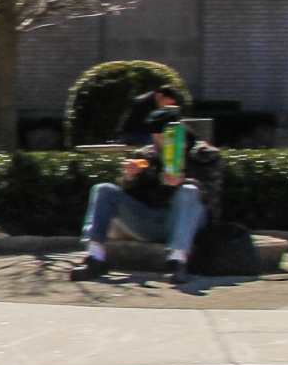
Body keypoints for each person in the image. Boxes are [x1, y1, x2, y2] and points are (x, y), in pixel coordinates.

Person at [71, 122, 221, 288]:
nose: (159, 140)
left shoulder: (203, 154)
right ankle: (95, 257)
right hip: (149, 220)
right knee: (103, 189)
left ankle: (178, 262)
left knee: (188, 190)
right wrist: (129, 179)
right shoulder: (145, 155)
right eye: (156, 135)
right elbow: (128, 196)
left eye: (165, 136)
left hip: (186, 222)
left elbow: (211, 195)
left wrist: (183, 181)